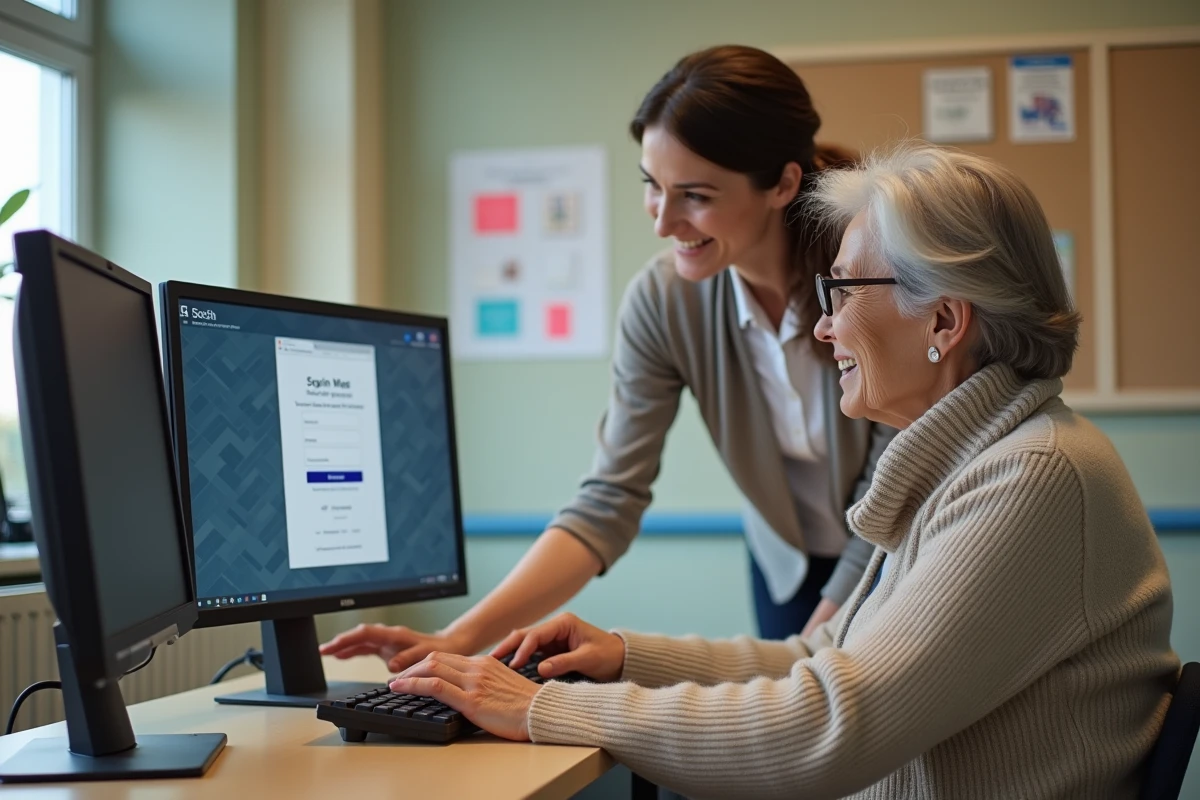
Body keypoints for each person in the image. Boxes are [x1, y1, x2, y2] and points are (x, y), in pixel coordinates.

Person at [386, 142, 1179, 799]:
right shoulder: (977, 463)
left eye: (842, 289)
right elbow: (822, 658)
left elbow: (832, 724)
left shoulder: (1032, 478)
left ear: (943, 317)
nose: (825, 325)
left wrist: (547, 710)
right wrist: (626, 656)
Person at [320, 44, 896, 669]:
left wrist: (813, 650)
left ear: (783, 184)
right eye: (653, 187)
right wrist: (458, 637)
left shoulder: (865, 277)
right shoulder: (663, 301)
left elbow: (891, 483)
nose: (663, 221)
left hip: (895, 542)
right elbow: (608, 500)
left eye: (696, 195)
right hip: (786, 563)